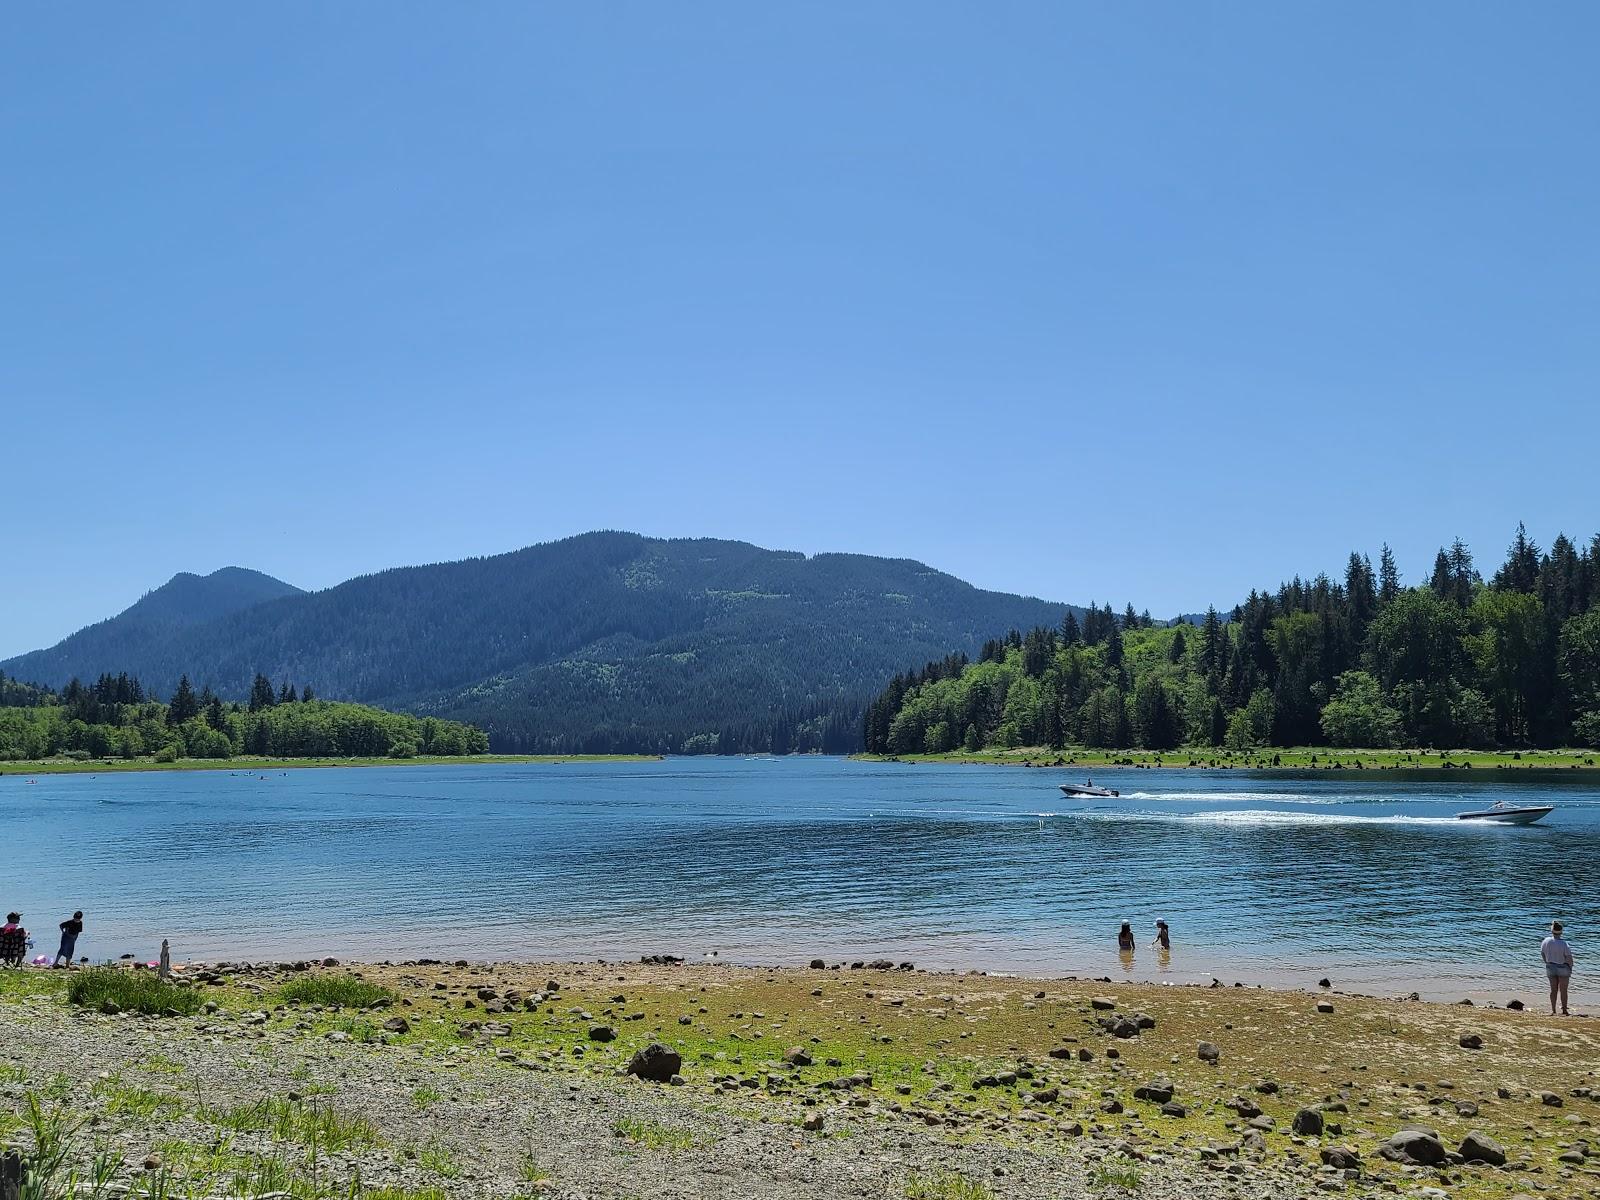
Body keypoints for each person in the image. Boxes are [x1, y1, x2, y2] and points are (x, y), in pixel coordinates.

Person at [1542, 920, 1575, 1016]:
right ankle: (1564, 1010)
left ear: (1552, 931)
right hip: (1563, 967)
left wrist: (1546, 962)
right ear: (1561, 932)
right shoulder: (1564, 943)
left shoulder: (1546, 941)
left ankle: (1553, 1010)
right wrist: (1570, 967)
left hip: (1550, 966)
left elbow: (1542, 953)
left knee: (1553, 990)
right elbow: (1569, 957)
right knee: (1563, 990)